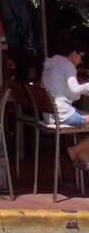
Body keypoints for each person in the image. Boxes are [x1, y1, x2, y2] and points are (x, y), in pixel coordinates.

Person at [40, 40, 89, 169]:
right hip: (62, 114)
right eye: (81, 56)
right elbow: (75, 90)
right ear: (74, 53)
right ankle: (74, 151)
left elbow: (69, 93)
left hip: (50, 114)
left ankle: (83, 153)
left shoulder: (52, 64)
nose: (81, 61)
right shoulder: (68, 65)